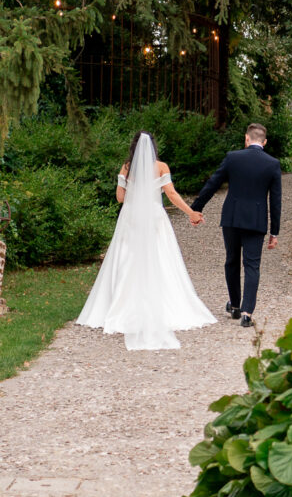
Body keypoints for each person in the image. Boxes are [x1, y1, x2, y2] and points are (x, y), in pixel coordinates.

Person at [77, 131, 217, 349]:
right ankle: (158, 304)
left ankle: (122, 305)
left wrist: (135, 195)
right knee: (159, 257)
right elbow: (171, 194)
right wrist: (191, 213)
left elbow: (120, 198)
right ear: (153, 147)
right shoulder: (161, 167)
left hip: (131, 216)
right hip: (153, 216)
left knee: (128, 258)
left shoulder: (126, 167)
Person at [190, 123, 282, 328]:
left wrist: (195, 209)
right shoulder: (273, 164)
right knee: (252, 265)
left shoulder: (233, 158)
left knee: (232, 260)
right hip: (256, 221)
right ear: (265, 142)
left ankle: (234, 306)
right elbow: (275, 201)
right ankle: (247, 313)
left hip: (232, 217)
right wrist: (274, 232)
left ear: (246, 138)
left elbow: (213, 184)